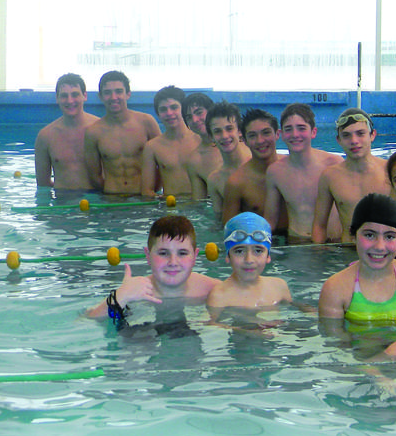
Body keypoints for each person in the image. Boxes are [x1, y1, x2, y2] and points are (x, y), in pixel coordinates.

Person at [318, 194, 396, 322]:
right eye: (370, 235)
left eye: (389, 236)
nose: (380, 246)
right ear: (353, 236)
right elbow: (333, 335)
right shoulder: (335, 289)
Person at [85, 214, 219, 322]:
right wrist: (121, 296)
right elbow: (88, 318)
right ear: (148, 256)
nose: (173, 262)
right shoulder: (135, 291)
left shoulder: (212, 289)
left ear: (195, 256)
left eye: (182, 253)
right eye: (163, 253)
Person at [264, 103, 341, 242]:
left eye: (301, 128)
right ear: (281, 134)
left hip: (334, 243)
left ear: (313, 132)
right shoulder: (275, 172)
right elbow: (270, 221)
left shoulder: (333, 164)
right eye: (288, 129)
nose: (295, 135)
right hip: (297, 243)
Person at [312, 109, 391, 242]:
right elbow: (319, 225)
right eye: (346, 135)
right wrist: (317, 252)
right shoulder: (330, 176)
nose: (354, 141)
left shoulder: (390, 170)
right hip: (348, 250)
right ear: (339, 140)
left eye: (360, 133)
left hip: (385, 249)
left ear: (372, 135)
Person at [83, 71, 161, 194]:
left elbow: (163, 163)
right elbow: (94, 176)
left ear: (128, 94)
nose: (114, 97)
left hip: (142, 196)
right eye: (107, 93)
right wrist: (109, 196)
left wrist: (152, 191)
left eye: (119, 91)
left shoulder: (146, 122)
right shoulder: (93, 132)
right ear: (100, 96)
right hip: (111, 197)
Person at [206, 212, 292, 316]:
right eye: (239, 251)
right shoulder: (219, 296)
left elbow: (291, 312)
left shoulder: (279, 286)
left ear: (268, 256)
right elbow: (213, 324)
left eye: (258, 251)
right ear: (228, 256)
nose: (249, 260)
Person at [34, 73, 99, 190]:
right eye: (64, 96)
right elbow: (43, 186)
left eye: (75, 95)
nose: (70, 101)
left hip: (96, 198)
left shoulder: (100, 129)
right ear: (57, 98)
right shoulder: (46, 136)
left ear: (85, 96)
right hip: (62, 198)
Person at [222, 108, 284, 228]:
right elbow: (228, 230)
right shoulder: (237, 183)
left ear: (277, 134)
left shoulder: (293, 169)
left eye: (266, 133)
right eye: (252, 136)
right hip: (256, 238)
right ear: (244, 140)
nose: (260, 141)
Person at [140, 85, 202, 198]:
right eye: (163, 109)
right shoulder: (152, 147)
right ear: (158, 114)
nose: (169, 113)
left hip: (200, 205)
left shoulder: (200, 140)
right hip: (171, 206)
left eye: (174, 107)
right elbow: (147, 191)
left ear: (184, 109)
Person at [205, 102, 252, 221]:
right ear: (211, 137)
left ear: (240, 131)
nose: (224, 136)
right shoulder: (215, 180)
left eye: (229, 129)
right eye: (217, 131)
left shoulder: (258, 164)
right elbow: (219, 222)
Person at [183, 92, 223, 200]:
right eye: (189, 117)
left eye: (199, 112)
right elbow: (199, 203)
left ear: (212, 111)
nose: (195, 120)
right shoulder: (195, 160)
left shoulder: (239, 140)